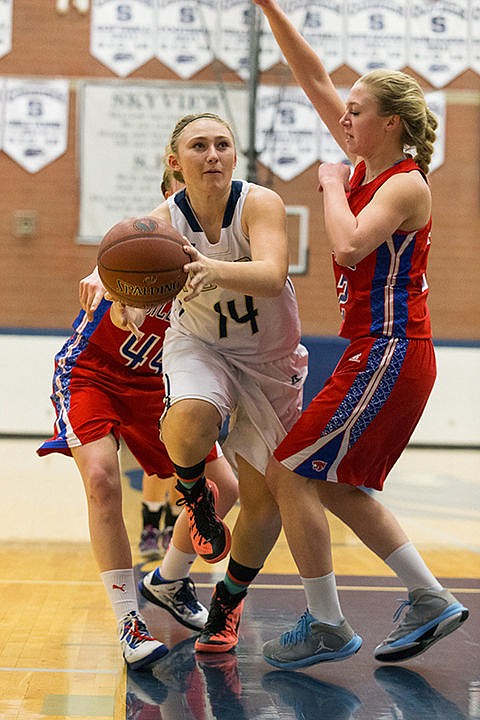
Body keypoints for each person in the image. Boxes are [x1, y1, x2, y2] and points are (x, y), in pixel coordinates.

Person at [249, 0, 469, 669]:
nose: (343, 118)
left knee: (288, 470)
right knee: (340, 486)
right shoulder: (366, 165)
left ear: (390, 123)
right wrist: (269, 9)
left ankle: (326, 622)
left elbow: (345, 247)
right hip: (382, 352)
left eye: (356, 110)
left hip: (391, 350)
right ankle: (430, 599)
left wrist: (327, 185)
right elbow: (314, 76)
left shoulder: (403, 185)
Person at [112, 111, 308, 654]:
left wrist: (209, 268)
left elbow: (270, 275)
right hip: (201, 345)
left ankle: (227, 602)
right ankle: (196, 495)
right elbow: (135, 278)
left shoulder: (259, 202)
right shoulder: (164, 220)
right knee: (190, 418)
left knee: (265, 502)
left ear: (234, 155)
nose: (214, 154)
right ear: (177, 162)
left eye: (223, 144)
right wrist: (129, 302)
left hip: (269, 360)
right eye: (199, 146)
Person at [37, 259, 238, 668]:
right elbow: (114, 260)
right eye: (181, 189)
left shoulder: (223, 258)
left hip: (160, 383)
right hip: (93, 373)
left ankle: (169, 579)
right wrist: (109, 280)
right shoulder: (145, 241)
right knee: (100, 479)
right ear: (172, 192)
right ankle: (129, 620)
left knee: (225, 488)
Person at [138, 166, 186, 561]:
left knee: (182, 458)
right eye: (179, 188)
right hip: (146, 370)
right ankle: (151, 526)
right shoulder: (152, 241)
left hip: (188, 364)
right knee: (157, 462)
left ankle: (172, 525)